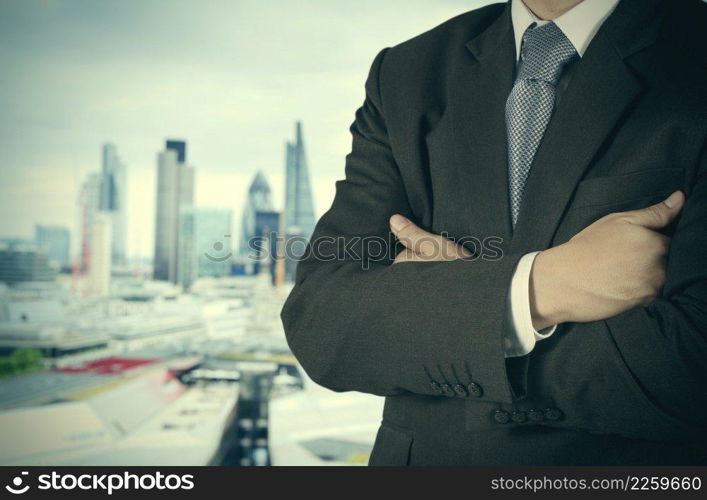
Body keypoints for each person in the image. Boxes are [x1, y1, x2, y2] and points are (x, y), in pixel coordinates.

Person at [281, 0, 707, 465]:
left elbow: (692, 366)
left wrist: (443, 314)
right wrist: (537, 288)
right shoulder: (406, 72)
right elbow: (320, 324)